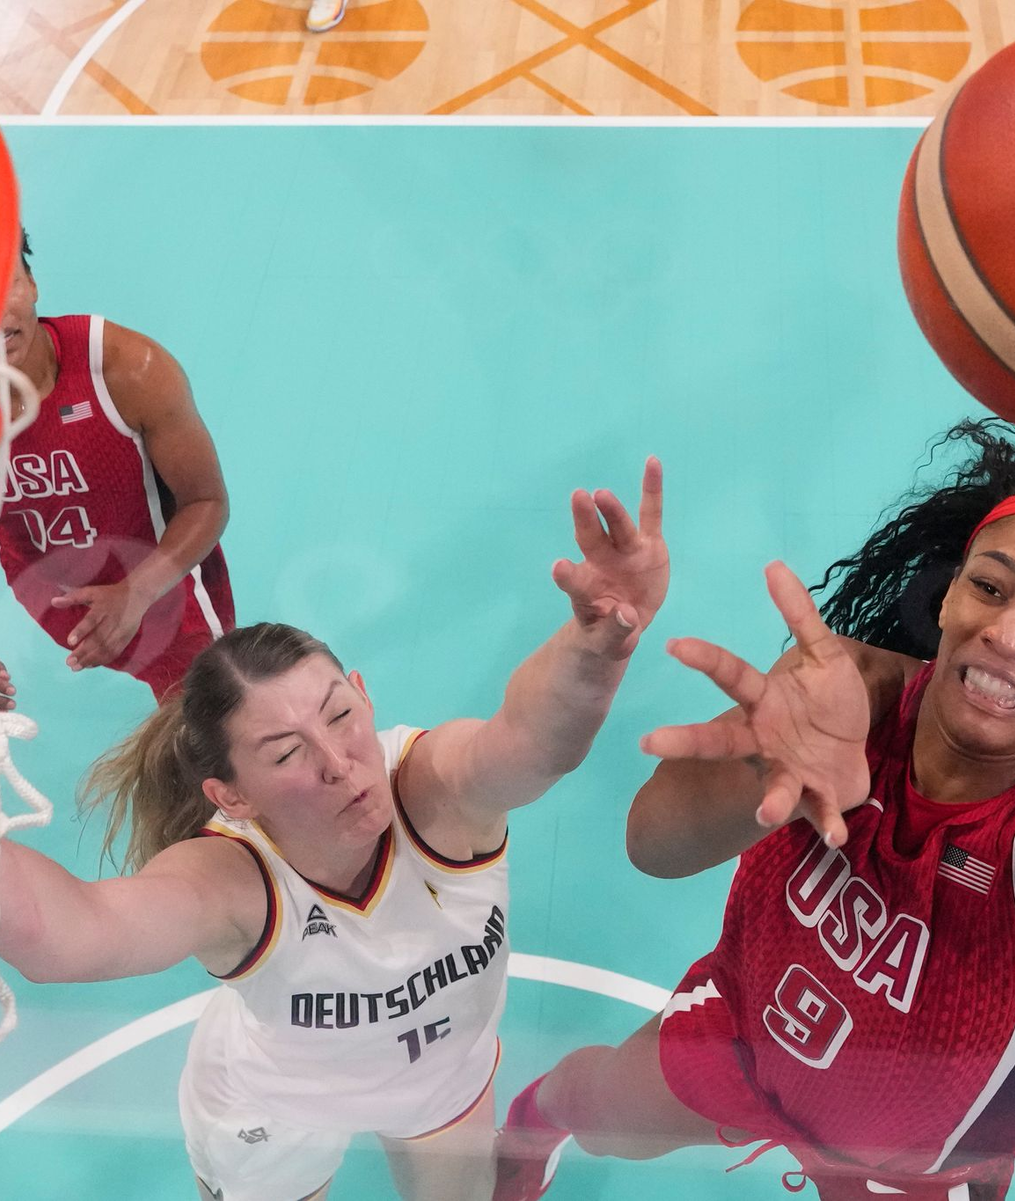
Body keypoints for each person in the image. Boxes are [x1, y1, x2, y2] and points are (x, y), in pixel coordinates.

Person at [492, 421, 1015, 1200]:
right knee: (588, 1106)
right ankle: (532, 1124)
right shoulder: (842, 698)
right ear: (949, 594)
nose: (1007, 635)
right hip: (741, 1037)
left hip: (912, 1174)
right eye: (989, 587)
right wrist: (771, 762)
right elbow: (650, 843)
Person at [0, 457, 668, 1201]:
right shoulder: (229, 883)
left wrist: (598, 644)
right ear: (233, 795)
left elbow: (533, 741)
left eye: (341, 716)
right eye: (287, 753)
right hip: (275, 1103)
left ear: (363, 693)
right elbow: (67, 934)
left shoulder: (435, 792)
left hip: (439, 1072)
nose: (339, 764)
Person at [0, 227, 235, 705]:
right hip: (51, 593)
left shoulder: (127, 370)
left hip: (163, 591)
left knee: (212, 731)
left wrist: (136, 593)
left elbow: (207, 502)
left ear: (32, 282)